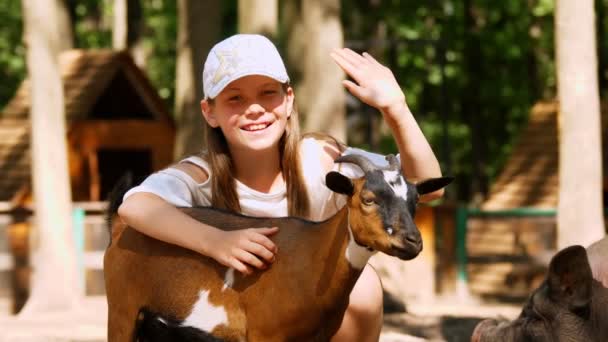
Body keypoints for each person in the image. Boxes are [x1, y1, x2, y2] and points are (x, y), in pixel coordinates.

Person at [118, 34, 444, 341]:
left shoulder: (322, 159)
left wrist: (396, 109)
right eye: (235, 98)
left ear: (288, 101)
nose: (255, 107)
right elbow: (135, 206)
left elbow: (425, 188)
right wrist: (215, 241)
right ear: (210, 112)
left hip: (312, 321)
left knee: (363, 289)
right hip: (229, 323)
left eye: (267, 92)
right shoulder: (200, 175)